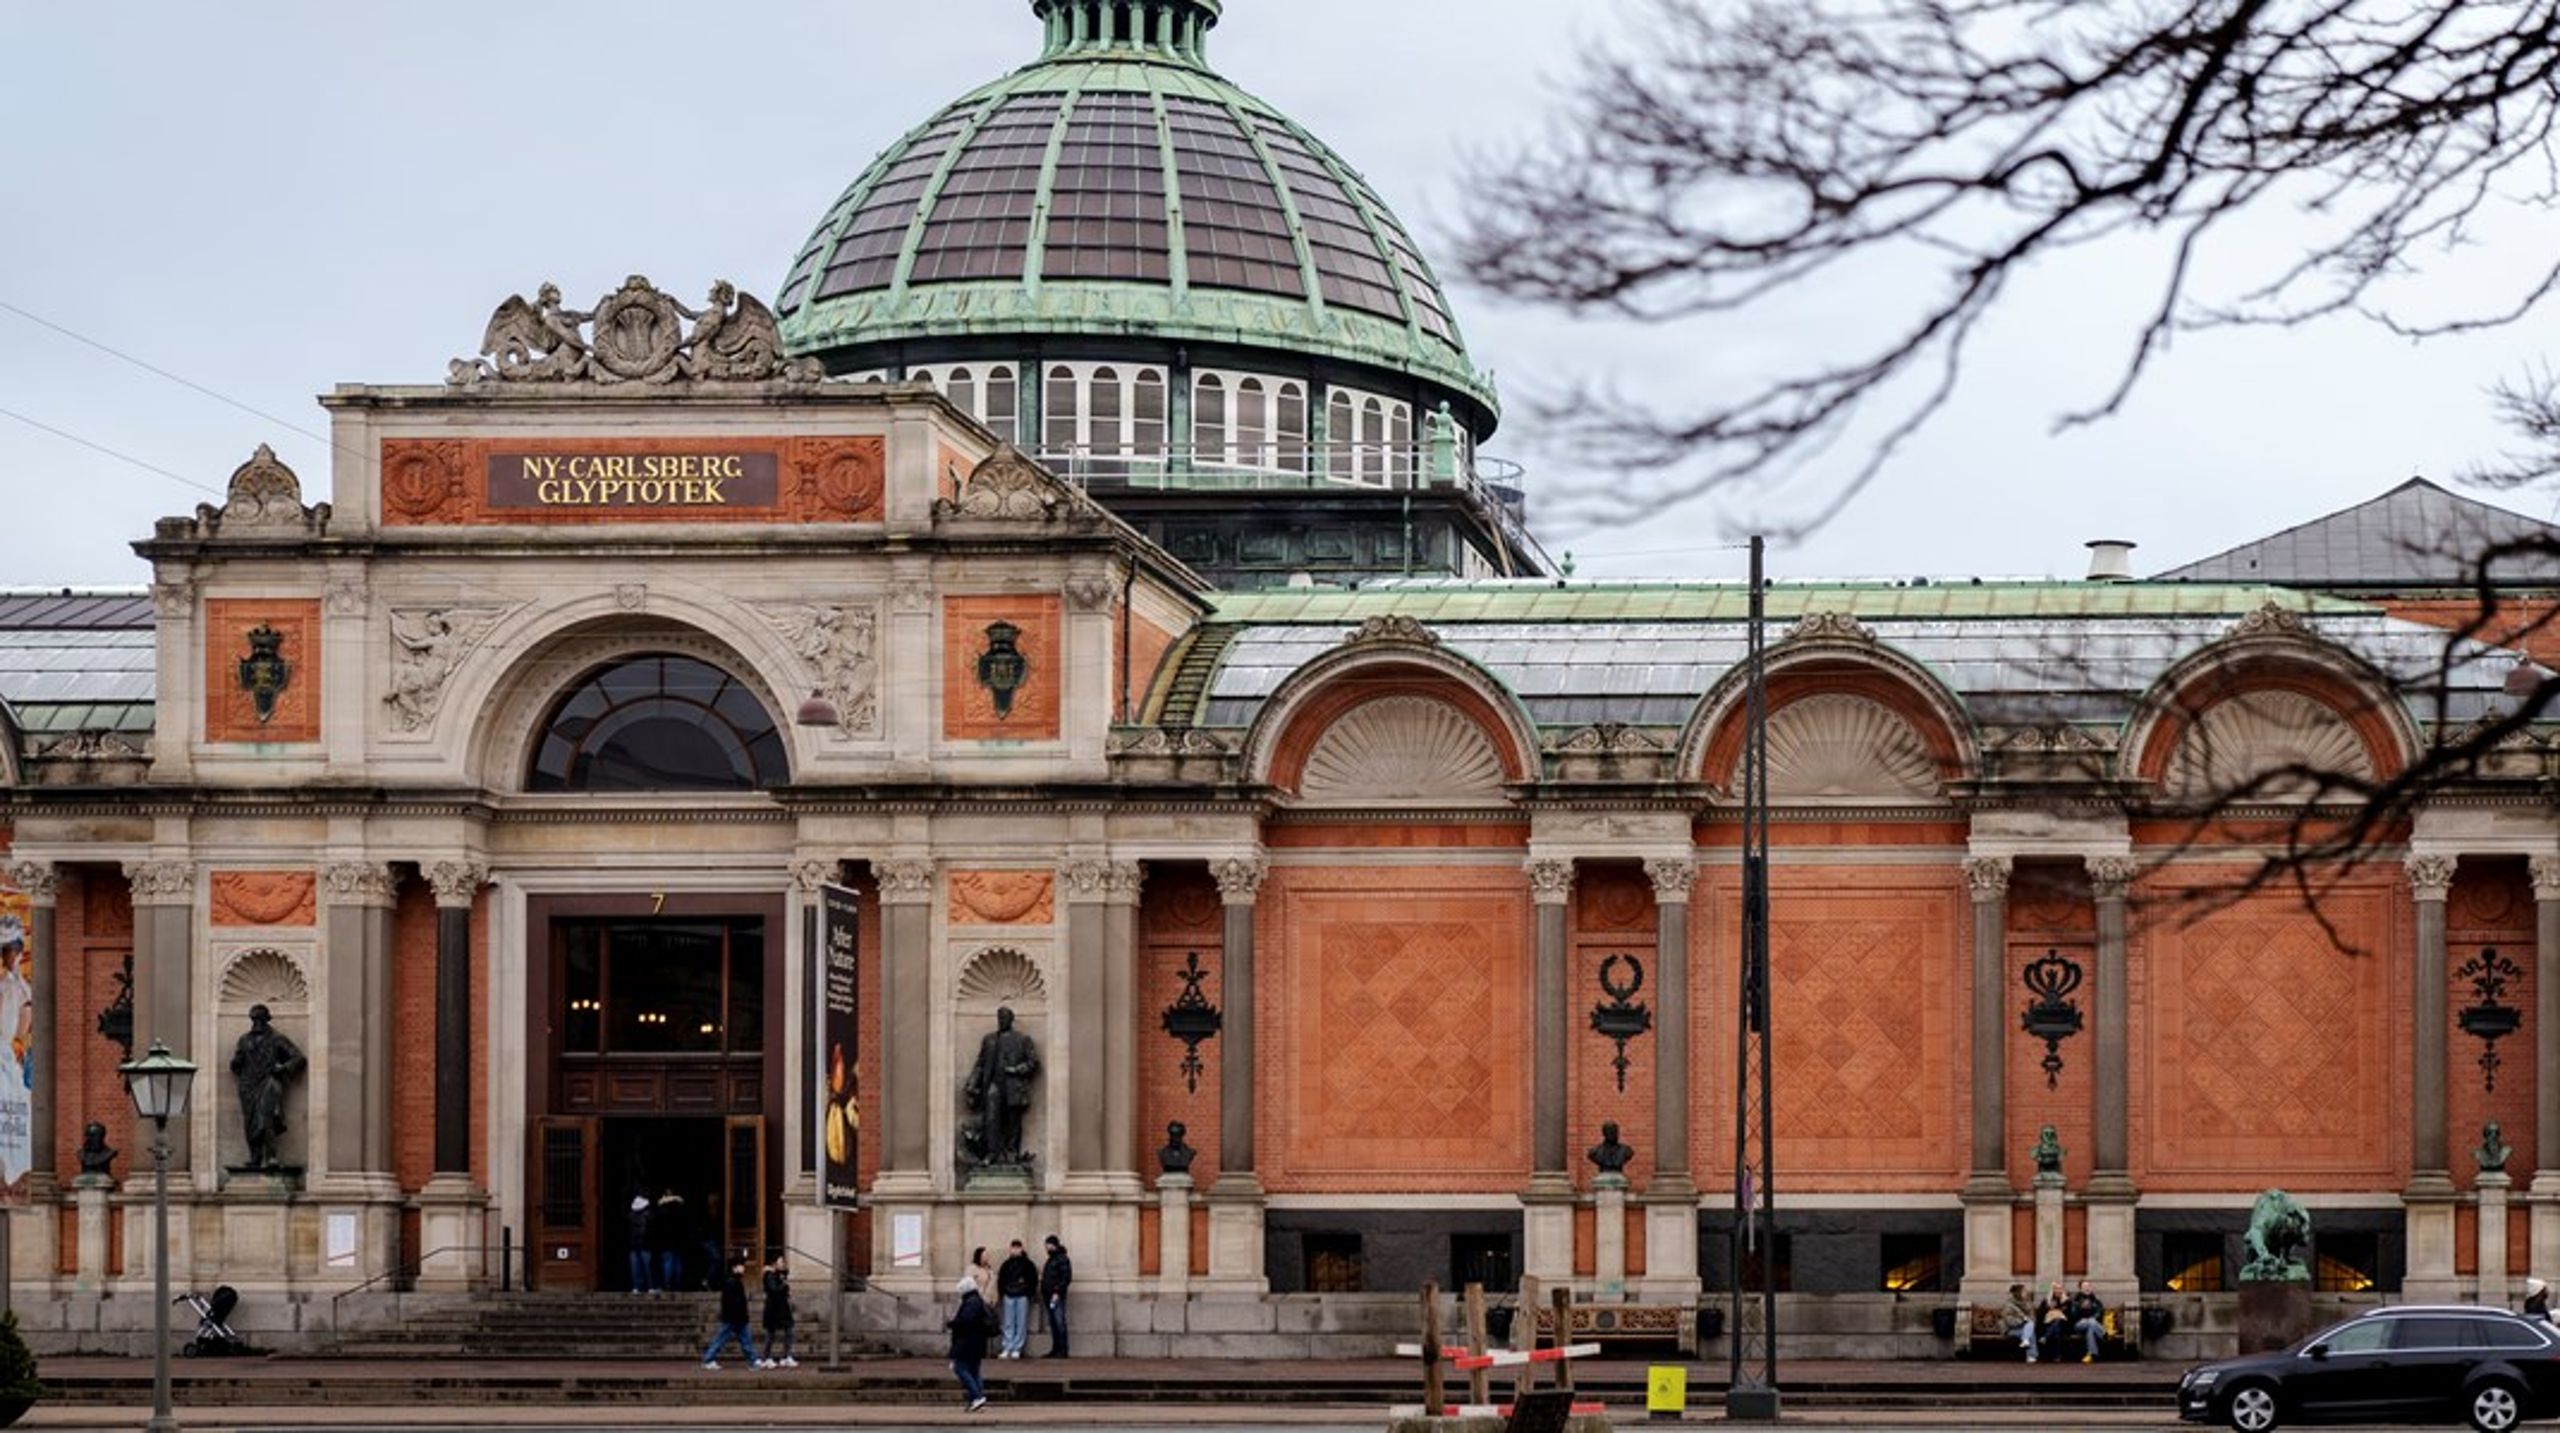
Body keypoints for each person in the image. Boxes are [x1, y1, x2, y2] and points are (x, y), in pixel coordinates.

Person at [700, 1255, 760, 1370]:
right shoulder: (732, 1282)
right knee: (730, 1339)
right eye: (741, 1266)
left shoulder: (733, 1281)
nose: (743, 1268)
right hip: (735, 1317)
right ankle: (708, 1359)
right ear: (734, 1267)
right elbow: (732, 1301)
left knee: (737, 1339)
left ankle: (753, 1360)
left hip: (735, 1317)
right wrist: (739, 1314)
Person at [947, 1272, 993, 1412]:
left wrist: (952, 1324)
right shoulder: (976, 1300)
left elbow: (966, 1321)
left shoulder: (971, 1302)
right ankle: (976, 1400)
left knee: (960, 1368)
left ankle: (977, 1397)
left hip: (968, 1341)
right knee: (974, 1371)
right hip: (976, 1341)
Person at [995, 1239, 1039, 1359]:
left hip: (1022, 1296)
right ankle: (1007, 1347)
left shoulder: (1028, 1264)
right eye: (1013, 1247)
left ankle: (1017, 1348)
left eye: (1017, 1247)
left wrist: (1028, 1293)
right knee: (1008, 1322)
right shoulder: (1006, 1264)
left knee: (1020, 1323)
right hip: (1009, 1295)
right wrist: (1002, 1293)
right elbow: (1001, 1279)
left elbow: (1033, 1280)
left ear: (1021, 1249)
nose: (1015, 1250)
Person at [759, 1254, 799, 1368]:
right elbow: (774, 1290)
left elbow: (783, 1283)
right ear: (774, 1264)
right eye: (780, 1262)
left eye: (783, 1262)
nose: (783, 1264)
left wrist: (784, 1284)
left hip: (782, 1307)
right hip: (773, 1308)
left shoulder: (779, 1275)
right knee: (771, 1334)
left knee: (788, 1330)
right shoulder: (770, 1275)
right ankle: (766, 1357)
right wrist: (783, 1285)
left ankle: (786, 1356)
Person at [652, 1190, 692, 1293]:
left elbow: (657, 1228)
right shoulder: (680, 1210)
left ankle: (668, 1285)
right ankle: (677, 1286)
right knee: (677, 1263)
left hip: (666, 1241)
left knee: (668, 1263)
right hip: (678, 1241)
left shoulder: (662, 1212)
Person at [1040, 1234, 1073, 1358]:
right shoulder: (1052, 1259)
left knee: (1059, 1322)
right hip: (1049, 1295)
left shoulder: (1062, 1259)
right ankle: (1056, 1349)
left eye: (1047, 1245)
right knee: (1054, 1324)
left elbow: (1066, 1277)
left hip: (1056, 1296)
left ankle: (1062, 1350)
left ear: (1053, 1245)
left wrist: (1057, 1292)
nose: (1046, 1247)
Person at [2066, 1279, 2107, 1364]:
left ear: (2091, 1288)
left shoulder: (2096, 1301)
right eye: (2084, 1287)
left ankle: (2091, 1354)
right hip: (2079, 1324)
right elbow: (2073, 1315)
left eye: (2088, 1286)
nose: (2087, 1288)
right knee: (2091, 1322)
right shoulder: (2076, 1300)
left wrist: (2092, 1318)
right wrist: (2080, 1307)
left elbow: (2100, 1313)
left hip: (2092, 1325)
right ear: (2080, 1289)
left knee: (2090, 1328)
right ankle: (2103, 1333)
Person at [1998, 1282, 2038, 1362]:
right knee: (2030, 1333)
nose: (2026, 1293)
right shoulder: (2009, 1305)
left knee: (2030, 1330)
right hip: (2010, 1330)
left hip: (2025, 1327)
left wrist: (2029, 1321)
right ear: (2018, 1294)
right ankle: (2031, 1355)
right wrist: (2023, 1320)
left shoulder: (2028, 1304)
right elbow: (2010, 1322)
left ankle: (2027, 1345)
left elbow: (2033, 1318)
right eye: (2024, 1291)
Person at [2036, 1281, 2071, 1363]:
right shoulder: (2047, 1301)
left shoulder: (2067, 1301)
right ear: (2053, 1290)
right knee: (2056, 1329)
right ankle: (2057, 1356)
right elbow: (2040, 1314)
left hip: (2064, 1325)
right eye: (2056, 1288)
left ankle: (2045, 1337)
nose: (2058, 1290)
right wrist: (2049, 1310)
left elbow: (2070, 1315)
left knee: (2058, 1322)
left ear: (2063, 1290)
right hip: (2049, 1324)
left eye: (2060, 1288)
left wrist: (2059, 1313)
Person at [626, 1194, 654, 1295]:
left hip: (633, 1244)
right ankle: (650, 1286)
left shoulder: (630, 1216)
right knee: (647, 1266)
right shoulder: (648, 1215)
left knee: (635, 1267)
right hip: (645, 1243)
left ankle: (636, 1287)